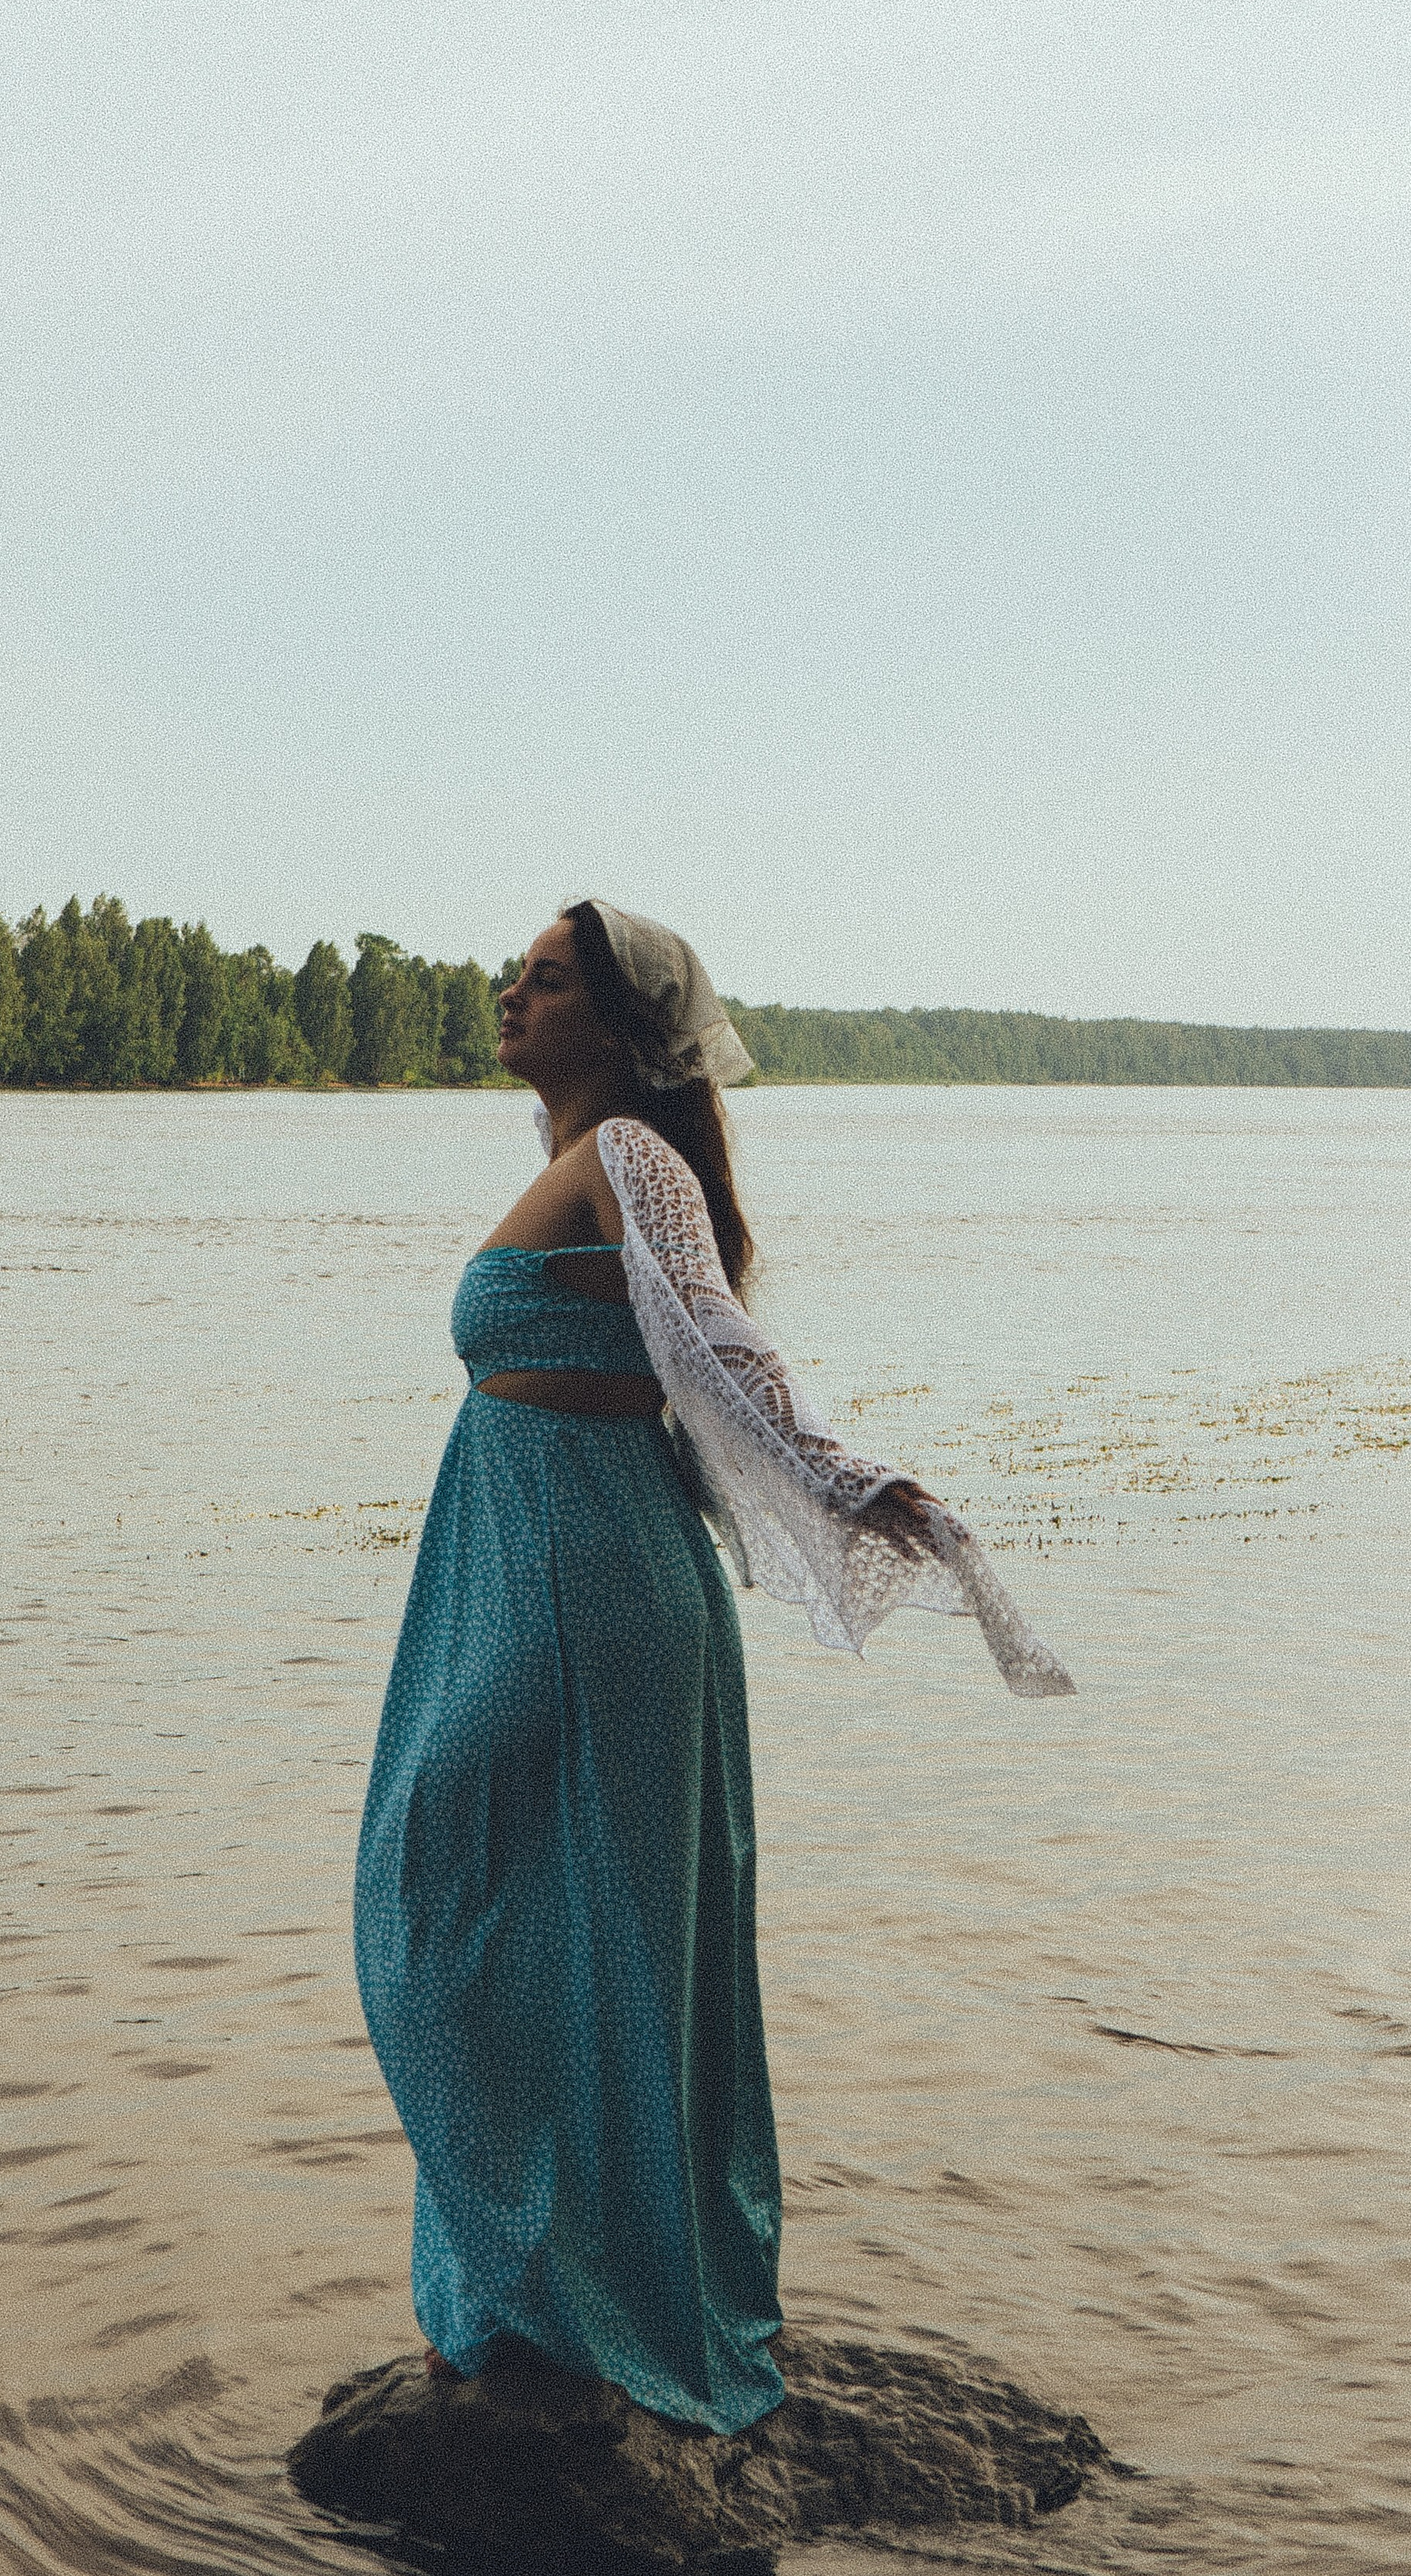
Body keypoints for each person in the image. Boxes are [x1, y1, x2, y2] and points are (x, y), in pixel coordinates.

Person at [354, 899, 1068, 2437]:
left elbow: (720, 1346)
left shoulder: (630, 1160)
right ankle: (535, 2293)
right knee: (517, 1922)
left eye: (544, 981)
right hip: (527, 1569)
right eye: (518, 974)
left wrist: (856, 1484)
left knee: (473, 1910)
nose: (509, 994)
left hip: (585, 1586)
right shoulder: (570, 1163)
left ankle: (582, 2308)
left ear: (622, 1029)